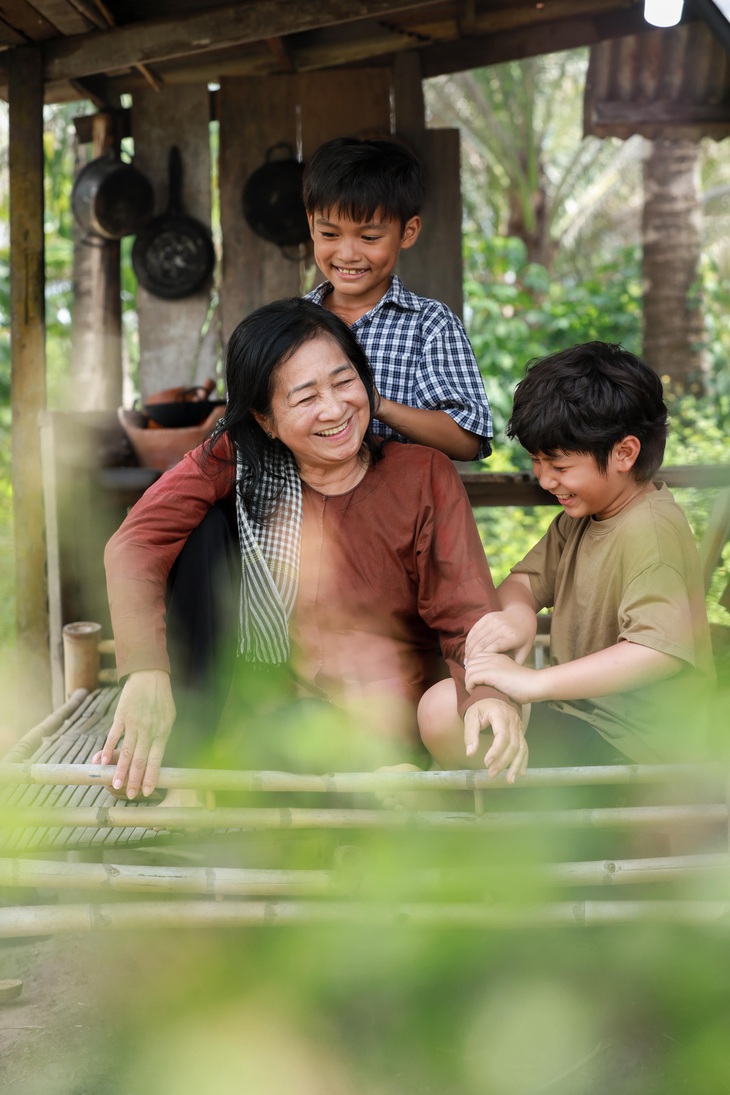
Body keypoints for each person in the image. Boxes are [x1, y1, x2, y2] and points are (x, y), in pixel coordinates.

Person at [98, 298, 526, 799]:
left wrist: (489, 694)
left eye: (344, 382)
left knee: (465, 725)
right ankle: (221, 760)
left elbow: (465, 609)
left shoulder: (422, 474)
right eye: (305, 398)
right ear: (265, 419)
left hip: (390, 720)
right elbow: (136, 542)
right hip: (277, 722)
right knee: (203, 530)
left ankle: (363, 783)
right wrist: (146, 670)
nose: (334, 409)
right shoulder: (238, 455)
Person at [455, 341, 715, 767]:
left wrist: (534, 684)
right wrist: (519, 615)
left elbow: (658, 651)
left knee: (445, 714)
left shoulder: (652, 531)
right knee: (453, 702)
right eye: (537, 462)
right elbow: (522, 582)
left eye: (558, 467)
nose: (543, 480)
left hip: (637, 748)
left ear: (624, 453)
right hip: (581, 718)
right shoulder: (580, 518)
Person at [302, 136, 492, 462]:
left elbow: (469, 441)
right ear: (311, 225)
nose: (347, 254)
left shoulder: (429, 324)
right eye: (330, 234)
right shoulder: (291, 322)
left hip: (400, 509)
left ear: (408, 232)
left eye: (369, 237)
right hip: (303, 508)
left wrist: (376, 405)